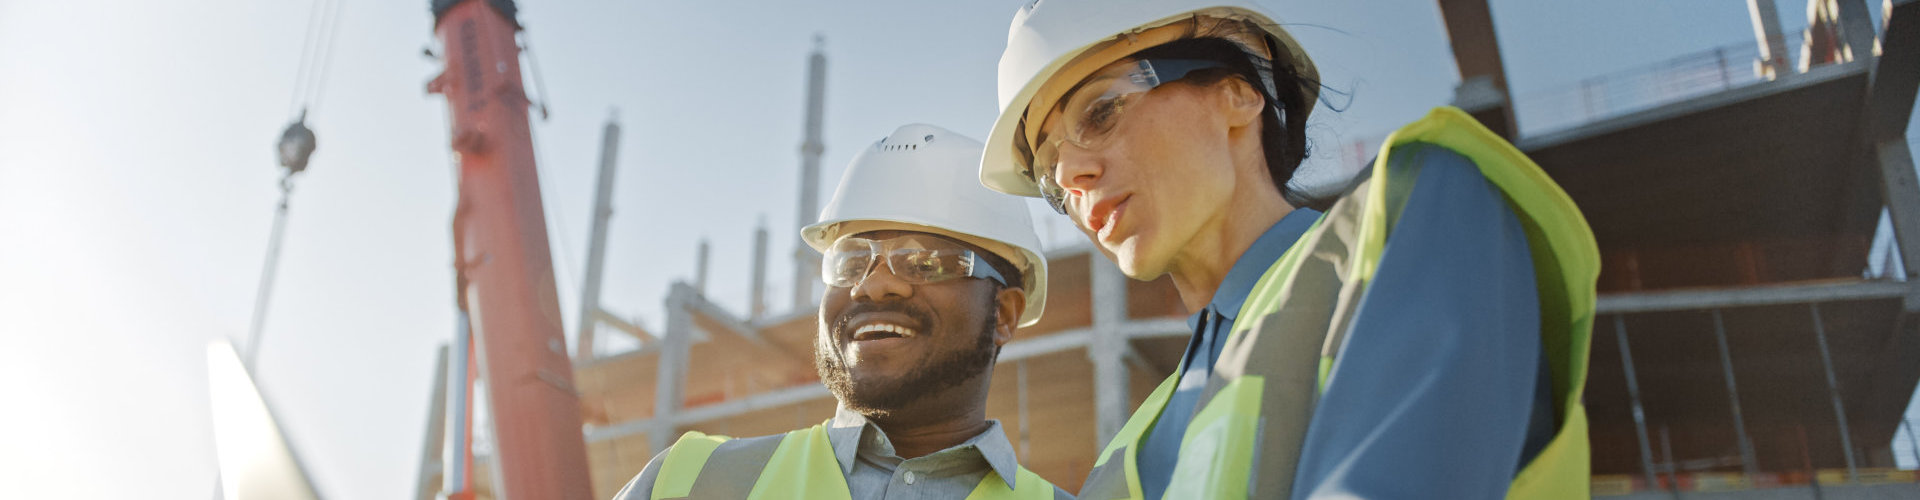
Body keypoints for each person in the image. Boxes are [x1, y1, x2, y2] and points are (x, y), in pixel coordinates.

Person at [977, 1, 1601, 498]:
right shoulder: (1131, 443)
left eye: (1101, 111)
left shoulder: (1406, 219)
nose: (1071, 176)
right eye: (1051, 168)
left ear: (1238, 93)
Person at [612, 124, 1071, 500]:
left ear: (1005, 314)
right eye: (851, 261)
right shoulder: (689, 482)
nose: (873, 283)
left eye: (923, 262)